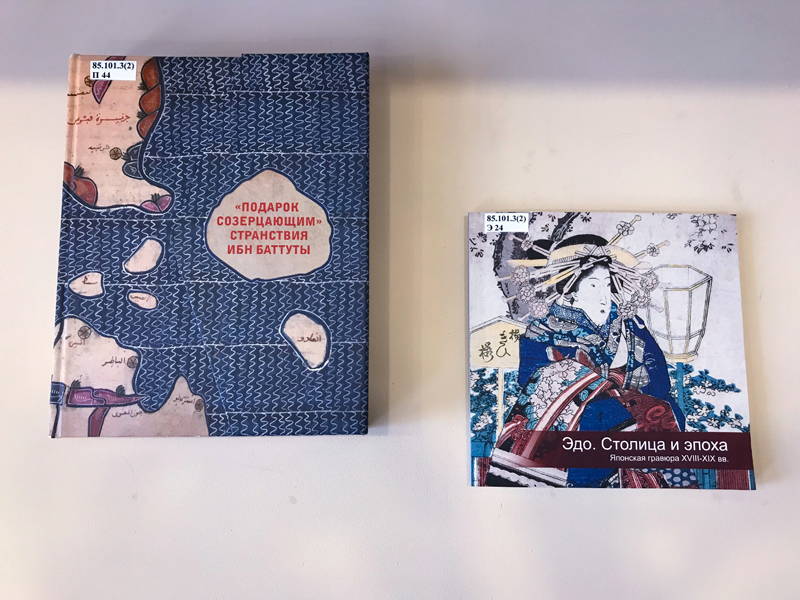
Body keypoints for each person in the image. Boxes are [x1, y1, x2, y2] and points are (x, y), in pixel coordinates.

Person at [485, 232, 688, 488]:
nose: (603, 294)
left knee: (662, 413)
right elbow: (532, 383)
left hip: (635, 418)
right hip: (578, 429)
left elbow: (658, 373)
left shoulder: (631, 325)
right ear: (571, 290)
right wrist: (593, 385)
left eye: (607, 284)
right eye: (593, 285)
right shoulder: (543, 331)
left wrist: (626, 394)